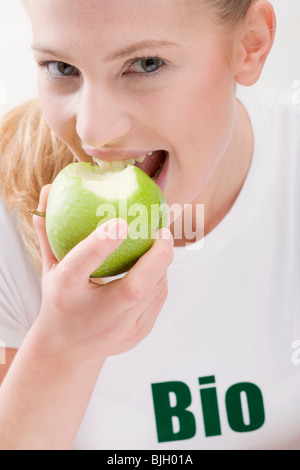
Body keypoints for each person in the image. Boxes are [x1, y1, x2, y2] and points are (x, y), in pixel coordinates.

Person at [0, 0, 299, 450]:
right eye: (61, 67)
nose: (94, 130)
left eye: (146, 63)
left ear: (250, 43)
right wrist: (62, 348)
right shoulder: (12, 211)